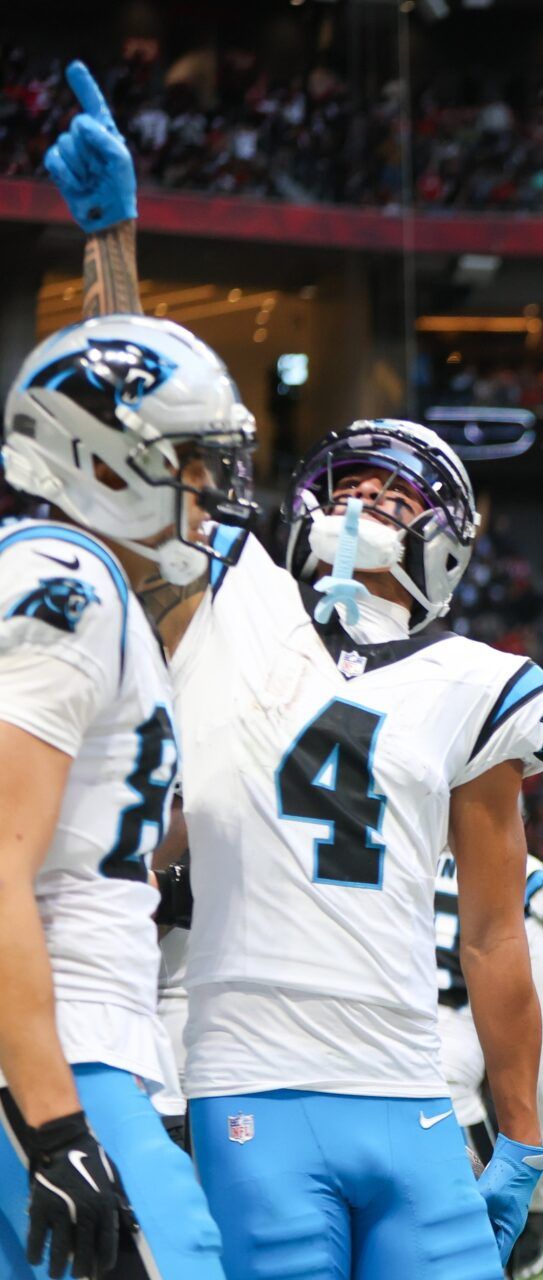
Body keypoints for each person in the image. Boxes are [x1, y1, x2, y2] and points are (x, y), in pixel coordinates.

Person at [60, 78, 543, 1275]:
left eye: (400, 497)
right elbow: (138, 436)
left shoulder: (482, 681)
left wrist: (528, 1143)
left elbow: (497, 935)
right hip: (249, 1079)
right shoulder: (240, 599)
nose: (369, 510)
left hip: (413, 1095)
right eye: (353, 487)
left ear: (447, 537)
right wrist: (110, 243)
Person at [0, 62, 250, 1279]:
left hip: (81, 1044)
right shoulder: (64, 581)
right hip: (59, 1057)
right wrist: (52, 1119)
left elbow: (117, 410)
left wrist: (111, 246)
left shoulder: (83, 573)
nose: (207, 488)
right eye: (194, 465)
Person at [435, 852, 543, 1278]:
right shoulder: (523, 875)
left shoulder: (397, 836)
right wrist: (539, 1199)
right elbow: (539, 1059)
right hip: (443, 1075)